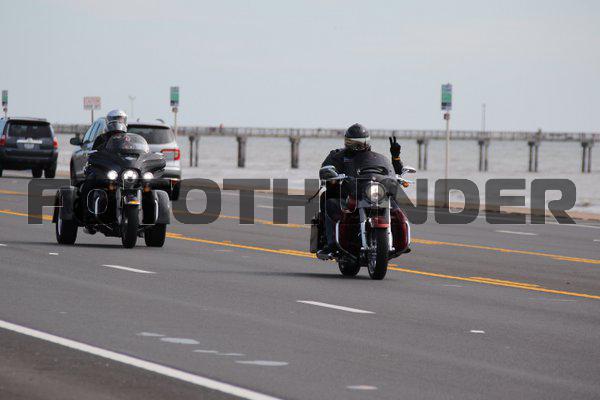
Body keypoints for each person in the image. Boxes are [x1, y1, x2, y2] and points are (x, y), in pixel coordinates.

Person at [318, 123, 403, 257]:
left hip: (371, 193)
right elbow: (326, 169)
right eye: (354, 143)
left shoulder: (374, 158)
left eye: (362, 142)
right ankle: (330, 243)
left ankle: (400, 241)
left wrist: (396, 157)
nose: (358, 146)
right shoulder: (338, 156)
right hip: (349, 195)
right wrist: (329, 175)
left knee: (395, 206)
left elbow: (392, 173)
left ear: (367, 141)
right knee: (329, 200)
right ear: (347, 142)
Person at [79, 109, 128, 219]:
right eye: (115, 119)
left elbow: (138, 151)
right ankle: (86, 212)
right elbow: (93, 154)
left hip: (124, 171)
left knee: (146, 185)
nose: (118, 122)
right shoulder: (101, 138)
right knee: (89, 182)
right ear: (109, 121)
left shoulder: (128, 139)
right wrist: (93, 154)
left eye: (120, 119)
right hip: (105, 170)